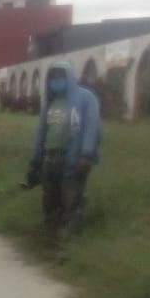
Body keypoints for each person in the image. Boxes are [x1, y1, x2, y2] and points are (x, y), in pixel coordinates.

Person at [28, 59, 101, 240]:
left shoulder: (85, 98)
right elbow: (41, 132)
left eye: (60, 76)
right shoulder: (50, 103)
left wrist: (86, 153)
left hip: (73, 159)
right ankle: (52, 233)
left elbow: (91, 127)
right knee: (50, 198)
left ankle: (69, 239)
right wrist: (35, 159)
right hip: (50, 160)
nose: (56, 80)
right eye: (53, 77)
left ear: (69, 76)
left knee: (71, 198)